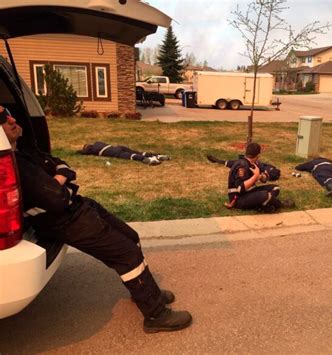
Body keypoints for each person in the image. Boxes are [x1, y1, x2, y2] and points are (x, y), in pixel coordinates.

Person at [0, 107, 192, 334]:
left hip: (78, 205)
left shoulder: (24, 152)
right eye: (3, 118)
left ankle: (146, 293)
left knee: (131, 237)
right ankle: (155, 315)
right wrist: (61, 179)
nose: (12, 119)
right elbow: (56, 197)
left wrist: (60, 178)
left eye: (10, 113)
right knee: (126, 254)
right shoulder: (17, 165)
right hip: (62, 219)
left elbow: (62, 165)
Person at [227, 142, 294, 213]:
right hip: (238, 198)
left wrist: (260, 176)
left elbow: (263, 179)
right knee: (265, 195)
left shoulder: (251, 163)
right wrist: (256, 175)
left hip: (250, 192)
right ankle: (280, 204)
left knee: (275, 188)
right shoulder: (242, 165)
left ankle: (262, 206)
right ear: (258, 155)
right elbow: (240, 188)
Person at [78, 141, 170, 166]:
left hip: (112, 152)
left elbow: (82, 152)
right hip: (116, 147)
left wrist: (79, 151)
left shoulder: (91, 149)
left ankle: (148, 160)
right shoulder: (98, 142)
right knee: (136, 152)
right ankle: (157, 155)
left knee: (130, 156)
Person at [207, 153, 281, 182]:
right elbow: (264, 164)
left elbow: (263, 179)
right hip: (256, 165)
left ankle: (220, 161)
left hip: (254, 168)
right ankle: (220, 161)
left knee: (239, 163)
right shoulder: (271, 167)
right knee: (240, 162)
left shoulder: (271, 173)